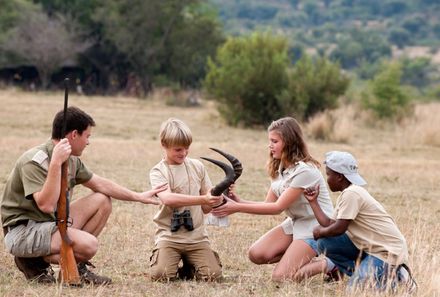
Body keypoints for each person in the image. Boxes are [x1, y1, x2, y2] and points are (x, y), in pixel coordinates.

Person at [1, 106, 167, 285]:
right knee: (89, 245)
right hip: (23, 231)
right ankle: (32, 262)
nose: (88, 142)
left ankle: (73, 267)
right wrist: (56, 164)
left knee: (102, 200)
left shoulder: (72, 160)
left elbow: (101, 184)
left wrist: (139, 196)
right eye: (87, 136)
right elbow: (46, 205)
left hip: (49, 224)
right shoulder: (34, 161)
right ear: (74, 135)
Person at [211, 117, 336, 282]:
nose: (270, 145)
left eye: (274, 141)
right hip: (296, 222)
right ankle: (301, 257)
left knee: (280, 277)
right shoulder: (280, 167)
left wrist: (236, 207)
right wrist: (238, 200)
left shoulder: (305, 171)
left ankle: (332, 264)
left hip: (315, 226)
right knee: (256, 254)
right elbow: (268, 204)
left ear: (289, 142)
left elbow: (277, 208)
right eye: (270, 141)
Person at [303, 151, 417, 293]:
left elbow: (339, 228)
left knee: (354, 290)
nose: (327, 179)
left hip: (387, 253)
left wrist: (319, 231)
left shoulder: (352, 194)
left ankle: (396, 278)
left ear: (339, 177)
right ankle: (368, 274)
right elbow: (329, 224)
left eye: (328, 175)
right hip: (371, 250)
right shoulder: (348, 193)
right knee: (324, 242)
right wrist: (313, 202)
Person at [149, 118, 223, 281]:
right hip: (169, 236)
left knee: (213, 276)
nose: (183, 153)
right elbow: (168, 199)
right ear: (163, 144)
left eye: (187, 148)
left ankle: (190, 265)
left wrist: (217, 199)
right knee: (161, 276)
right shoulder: (158, 171)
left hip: (197, 237)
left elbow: (206, 208)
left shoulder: (198, 167)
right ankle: (172, 260)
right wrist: (204, 198)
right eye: (178, 149)